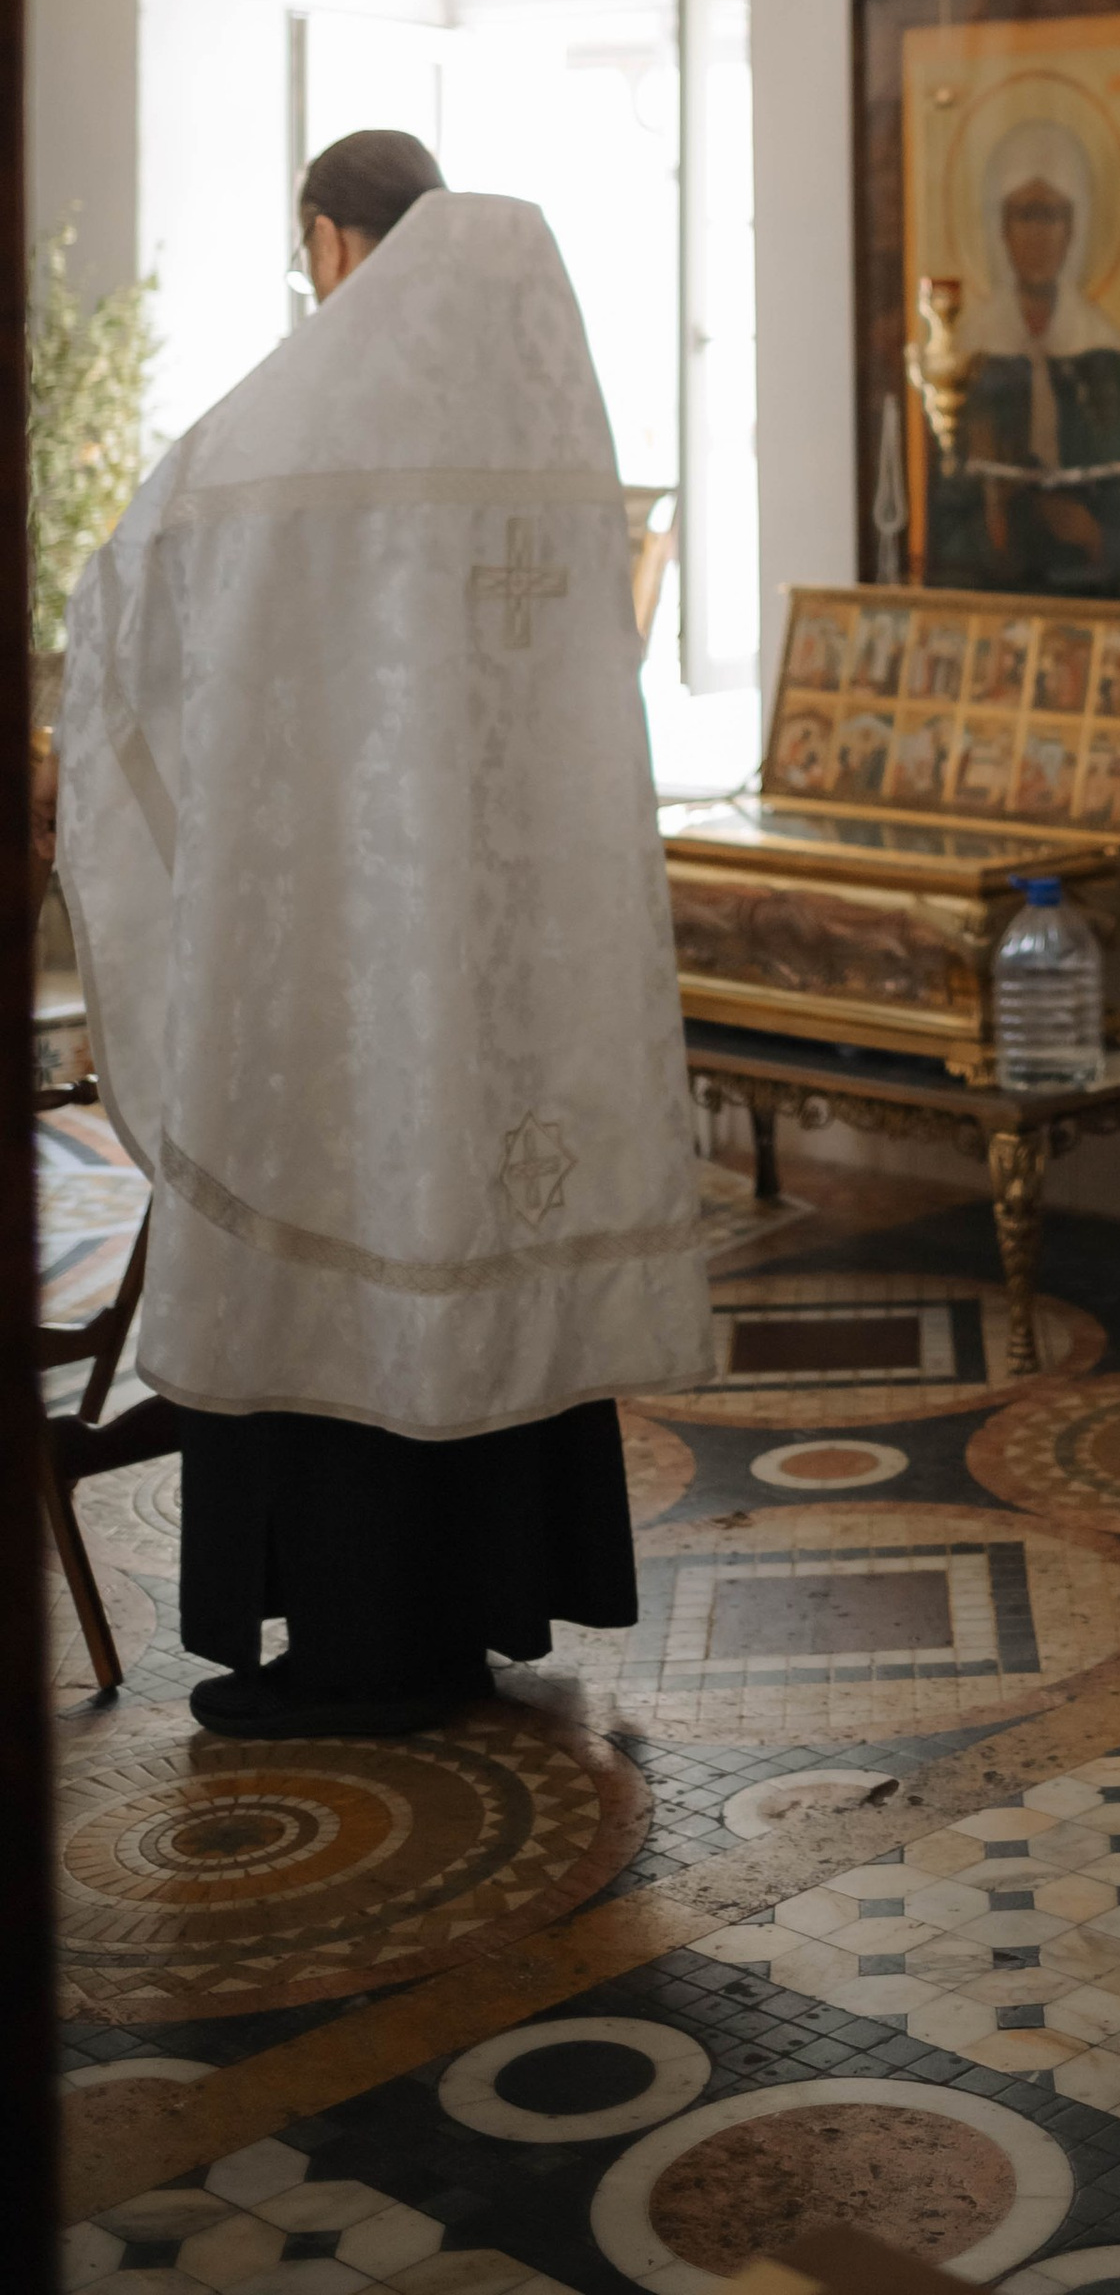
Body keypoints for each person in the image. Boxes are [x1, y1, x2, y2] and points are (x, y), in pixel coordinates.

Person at [57, 130, 713, 1739]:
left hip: (338, 972)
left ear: (339, 243)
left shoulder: (287, 436)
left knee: (343, 1246)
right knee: (481, 1232)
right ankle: (482, 1606)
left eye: (313, 256)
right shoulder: (547, 446)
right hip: (507, 973)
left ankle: (353, 1646)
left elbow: (125, 598)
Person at [929, 118, 1120, 597]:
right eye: (1025, 215)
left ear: (1073, 228)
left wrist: (1094, 535)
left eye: (1052, 215)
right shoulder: (967, 361)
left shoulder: (1108, 357)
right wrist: (994, 523)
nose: (1038, 235)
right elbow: (943, 524)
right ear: (1001, 226)